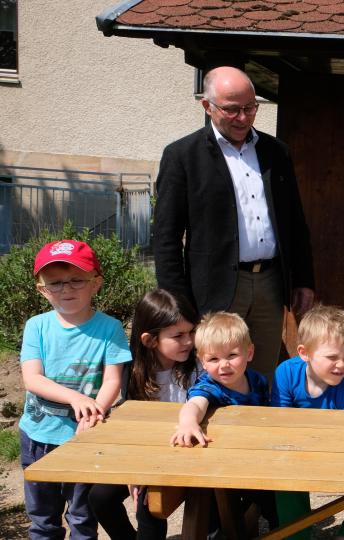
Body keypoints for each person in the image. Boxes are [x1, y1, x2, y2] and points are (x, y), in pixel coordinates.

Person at [153, 65, 315, 384]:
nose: (243, 117)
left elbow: (295, 221)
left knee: (264, 372)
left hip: (270, 283)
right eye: (232, 109)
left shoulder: (275, 152)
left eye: (250, 108)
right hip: (214, 288)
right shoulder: (182, 156)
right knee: (217, 375)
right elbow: (166, 237)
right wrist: (176, 301)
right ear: (207, 106)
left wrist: (304, 279)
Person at [19, 240, 132, 539]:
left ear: (95, 283)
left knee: (83, 517)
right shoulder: (37, 326)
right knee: (43, 519)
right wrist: (76, 397)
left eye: (76, 280)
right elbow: (33, 379)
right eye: (55, 283)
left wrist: (96, 411)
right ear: (42, 289)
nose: (66, 289)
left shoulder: (110, 328)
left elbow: (112, 380)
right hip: (38, 437)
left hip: (84, 436)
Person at [270, 305, 344, 540]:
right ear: (304, 353)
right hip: (295, 453)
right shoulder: (285, 372)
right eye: (332, 357)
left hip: (338, 452)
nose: (342, 364)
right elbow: (280, 421)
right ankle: (297, 535)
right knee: (284, 483)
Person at [88, 289, 201, 540]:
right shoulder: (134, 372)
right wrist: (134, 468)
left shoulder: (198, 366)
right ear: (150, 340)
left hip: (187, 452)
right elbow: (133, 425)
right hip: (147, 452)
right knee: (100, 498)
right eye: (178, 335)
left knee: (149, 504)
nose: (189, 341)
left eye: (192, 331)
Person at [170, 311, 276, 532]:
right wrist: (188, 423)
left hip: (253, 460)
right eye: (213, 359)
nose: (224, 365)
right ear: (202, 360)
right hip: (218, 467)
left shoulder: (256, 380)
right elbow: (195, 405)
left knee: (276, 504)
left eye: (232, 355)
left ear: (249, 352)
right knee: (214, 515)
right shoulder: (208, 386)